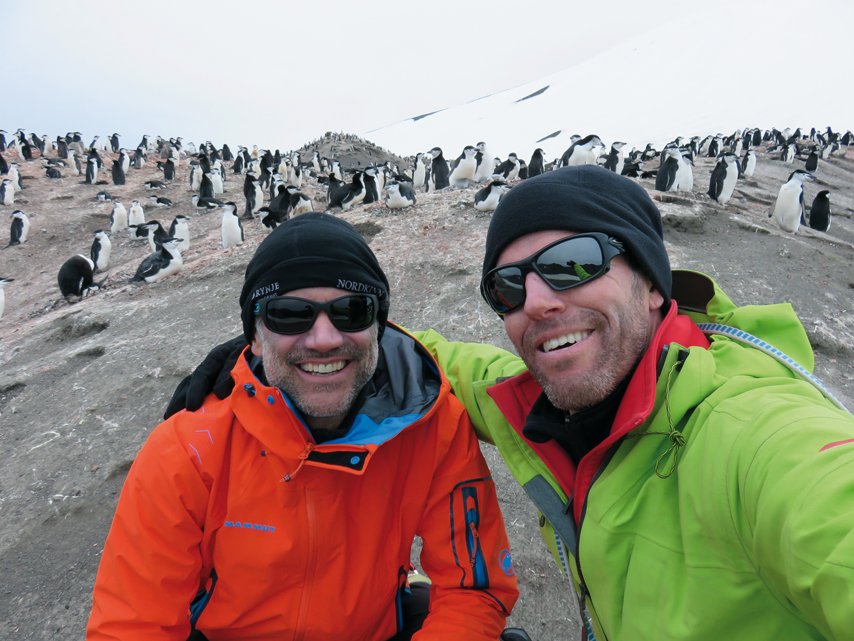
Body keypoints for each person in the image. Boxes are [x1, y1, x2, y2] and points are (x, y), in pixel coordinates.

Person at [170, 167, 854, 641]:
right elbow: (456, 363)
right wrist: (307, 342)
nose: (539, 301)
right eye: (508, 286)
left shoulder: (750, 430)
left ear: (653, 282)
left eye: (575, 263)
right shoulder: (539, 403)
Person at [87, 213, 519, 640]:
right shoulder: (187, 449)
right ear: (254, 337)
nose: (324, 338)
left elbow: (473, 591)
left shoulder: (433, 427)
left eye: (351, 310)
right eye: (290, 314)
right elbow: (132, 626)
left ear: (378, 325)